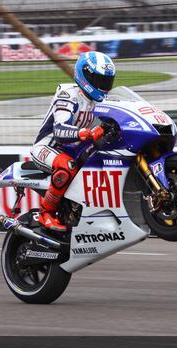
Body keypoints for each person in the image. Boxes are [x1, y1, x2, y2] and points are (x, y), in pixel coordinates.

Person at [30, 51, 116, 233]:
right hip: (47, 147)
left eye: (107, 82)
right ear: (86, 77)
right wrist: (84, 133)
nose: (104, 87)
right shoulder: (67, 95)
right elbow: (59, 129)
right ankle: (45, 212)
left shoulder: (100, 100)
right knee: (67, 166)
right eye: (100, 81)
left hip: (72, 148)